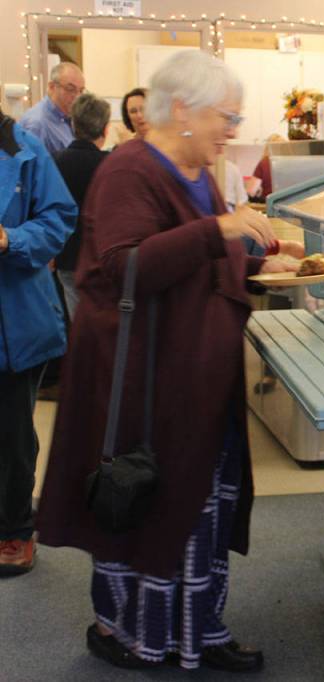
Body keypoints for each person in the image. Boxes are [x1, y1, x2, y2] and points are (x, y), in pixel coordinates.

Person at [36, 51, 295, 672]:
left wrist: (259, 266)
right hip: (148, 385)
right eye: (225, 116)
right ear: (181, 110)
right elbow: (123, 265)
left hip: (193, 381)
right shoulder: (129, 169)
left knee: (200, 508)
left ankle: (198, 629)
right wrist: (222, 232)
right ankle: (132, 634)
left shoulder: (193, 167)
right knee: (151, 505)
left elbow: (195, 259)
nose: (231, 129)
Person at [0, 105, 77, 576]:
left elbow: (59, 218)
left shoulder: (24, 149)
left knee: (11, 435)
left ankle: (14, 528)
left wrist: (10, 239)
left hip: (16, 324)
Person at [53, 93, 111, 318]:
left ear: (73, 124)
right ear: (105, 129)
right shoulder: (111, 165)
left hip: (66, 256)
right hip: (102, 257)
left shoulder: (56, 161)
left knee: (77, 322)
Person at [19, 62, 85, 155]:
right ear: (51, 87)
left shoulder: (68, 118)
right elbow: (31, 167)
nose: (77, 97)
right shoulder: (37, 124)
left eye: (81, 91)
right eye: (70, 89)